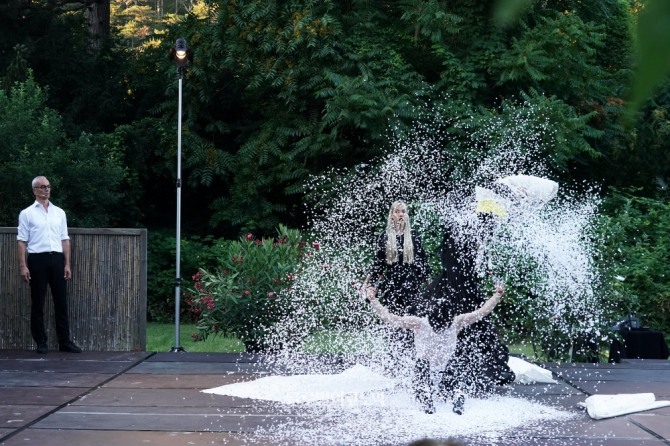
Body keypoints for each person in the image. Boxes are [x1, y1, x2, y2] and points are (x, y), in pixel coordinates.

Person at [358, 279, 505, 415]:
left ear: (430, 312)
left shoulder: (419, 323)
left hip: (426, 370)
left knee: (423, 367)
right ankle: (457, 395)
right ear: (450, 314)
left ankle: (425, 396)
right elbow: (482, 312)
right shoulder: (457, 322)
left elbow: (390, 318)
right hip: (447, 371)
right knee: (456, 365)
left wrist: (373, 299)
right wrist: (497, 295)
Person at [17, 176, 82, 354]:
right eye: (42, 187)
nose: (46, 189)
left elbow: (65, 239)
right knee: (38, 302)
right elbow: (22, 241)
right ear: (35, 190)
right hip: (37, 259)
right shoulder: (27, 213)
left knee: (61, 302)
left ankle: (64, 342)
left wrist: (67, 264)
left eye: (48, 186)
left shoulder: (59, 212)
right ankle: (41, 342)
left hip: (57, 259)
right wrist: (23, 266)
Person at [363, 201, 431, 360]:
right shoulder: (385, 237)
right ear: (391, 215)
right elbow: (378, 264)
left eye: (403, 211)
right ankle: (395, 357)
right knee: (393, 321)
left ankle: (412, 357)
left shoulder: (414, 237)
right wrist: (367, 284)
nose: (401, 214)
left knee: (411, 321)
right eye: (397, 211)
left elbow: (422, 264)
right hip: (393, 284)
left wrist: (430, 287)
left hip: (411, 285)